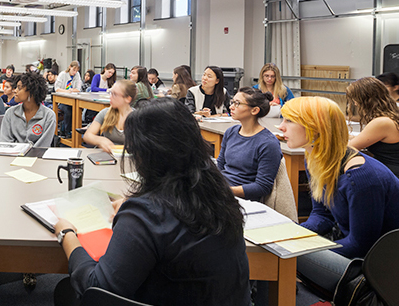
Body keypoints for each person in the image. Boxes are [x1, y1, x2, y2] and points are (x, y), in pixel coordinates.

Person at [54, 98, 250, 305]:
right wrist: (137, 207)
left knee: (66, 291)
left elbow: (97, 287)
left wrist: (66, 234)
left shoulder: (146, 214)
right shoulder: (219, 195)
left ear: (145, 154)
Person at [278, 97, 399, 298]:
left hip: (378, 266)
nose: (281, 127)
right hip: (354, 250)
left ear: (316, 128)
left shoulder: (360, 176)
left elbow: (361, 244)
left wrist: (300, 248)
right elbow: (321, 215)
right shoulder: (314, 158)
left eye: (289, 121)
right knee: (279, 246)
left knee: (282, 254)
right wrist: (296, 235)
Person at [217, 87, 283, 201]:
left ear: (254, 110)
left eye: (237, 103)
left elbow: (262, 187)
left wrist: (225, 191)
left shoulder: (268, 143)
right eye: (232, 102)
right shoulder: (230, 132)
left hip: (240, 199)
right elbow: (220, 167)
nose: (231, 107)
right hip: (221, 191)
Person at [346, 77, 399, 178]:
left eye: (356, 99)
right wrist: (344, 135)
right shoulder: (390, 117)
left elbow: (349, 148)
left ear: (366, 99)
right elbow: (365, 138)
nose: (355, 104)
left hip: (391, 177)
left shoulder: (382, 123)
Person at [0, 72, 57, 148]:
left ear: (31, 92)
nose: (15, 91)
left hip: (38, 158)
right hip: (12, 157)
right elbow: (5, 143)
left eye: (19, 88)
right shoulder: (10, 113)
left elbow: (42, 146)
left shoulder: (48, 116)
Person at [82, 80, 135, 152]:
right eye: (110, 93)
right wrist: (100, 140)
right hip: (106, 157)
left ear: (128, 99)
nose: (110, 97)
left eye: (115, 94)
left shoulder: (137, 118)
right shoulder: (105, 113)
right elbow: (87, 136)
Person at [55, 61, 83, 137]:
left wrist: (72, 90)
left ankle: (72, 130)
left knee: (77, 110)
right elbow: (57, 89)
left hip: (72, 99)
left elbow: (78, 88)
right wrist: (67, 91)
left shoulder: (77, 75)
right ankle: (67, 131)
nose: (75, 72)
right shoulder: (62, 75)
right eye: (74, 70)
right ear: (70, 67)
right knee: (68, 111)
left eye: (76, 70)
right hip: (62, 101)